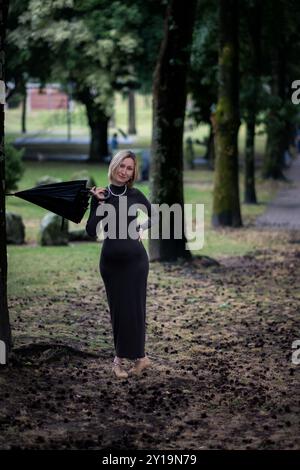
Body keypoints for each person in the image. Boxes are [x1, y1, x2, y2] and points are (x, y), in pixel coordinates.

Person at [86, 150, 159, 379]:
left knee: (136, 310)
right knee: (119, 311)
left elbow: (155, 216)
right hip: (110, 263)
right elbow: (90, 231)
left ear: (132, 173)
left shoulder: (136, 194)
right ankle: (128, 359)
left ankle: (136, 359)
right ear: (114, 166)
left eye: (129, 168)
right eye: (122, 166)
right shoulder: (101, 195)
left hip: (136, 262)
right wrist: (97, 203)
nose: (124, 171)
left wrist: (140, 228)